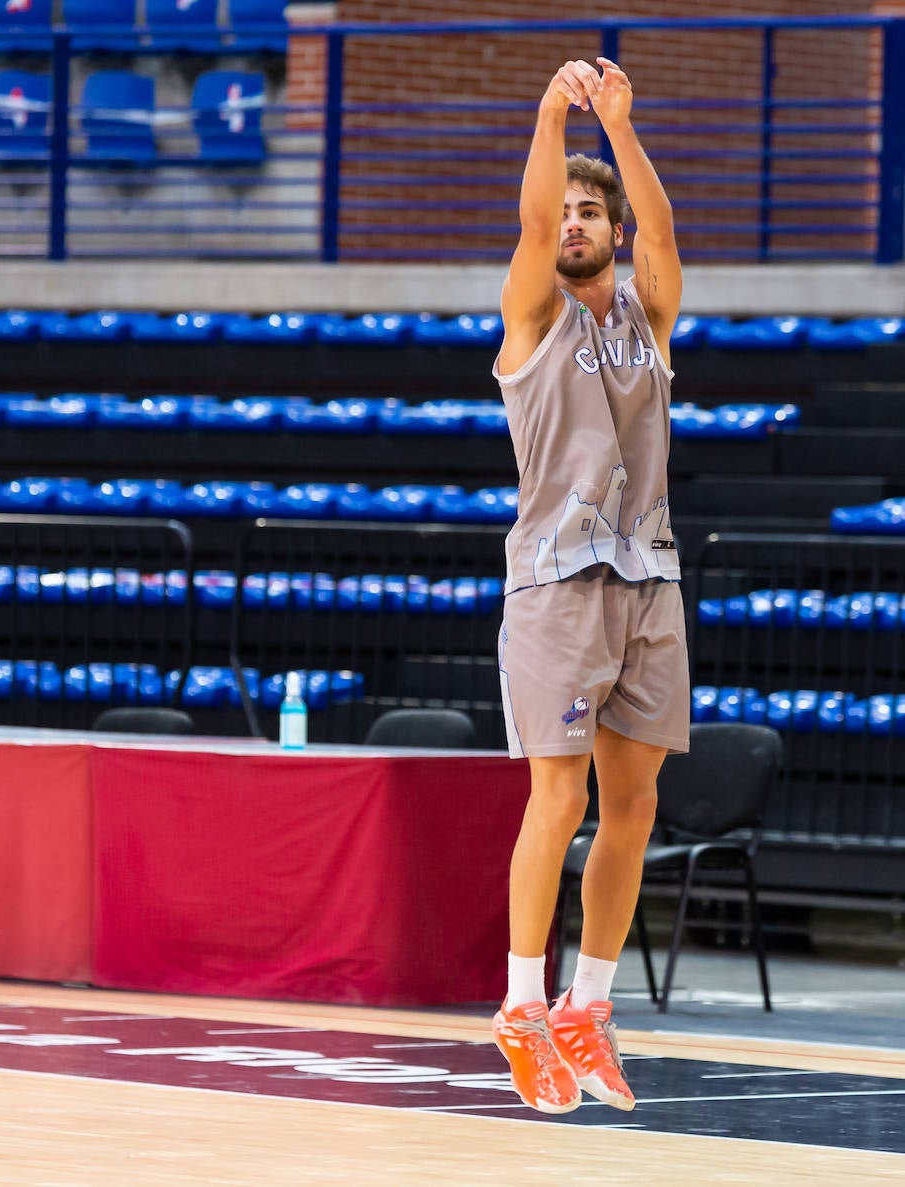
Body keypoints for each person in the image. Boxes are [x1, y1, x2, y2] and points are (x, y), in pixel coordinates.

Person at [491, 58, 689, 1113]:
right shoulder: (533, 315)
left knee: (636, 800)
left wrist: (617, 128)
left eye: (587, 211)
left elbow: (662, 237)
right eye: (561, 210)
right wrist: (547, 116)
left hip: (650, 574)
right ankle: (523, 1006)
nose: (570, 222)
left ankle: (587, 1009)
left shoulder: (648, 319)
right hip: (559, 581)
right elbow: (528, 231)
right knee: (557, 795)